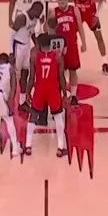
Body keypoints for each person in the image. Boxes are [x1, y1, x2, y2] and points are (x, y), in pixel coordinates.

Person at [25, 23, 69, 158]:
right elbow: (61, 77)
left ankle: (28, 146)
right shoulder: (57, 57)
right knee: (58, 117)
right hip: (53, 90)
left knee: (33, 116)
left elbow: (31, 78)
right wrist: (65, 93)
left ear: (39, 44)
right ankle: (60, 147)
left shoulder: (34, 57)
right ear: (50, 44)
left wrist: (27, 92)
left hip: (39, 89)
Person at [50, 0, 86, 104]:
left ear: (67, 0)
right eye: (60, 2)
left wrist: (84, 43)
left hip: (72, 44)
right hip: (59, 46)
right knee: (59, 71)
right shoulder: (53, 12)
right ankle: (60, 94)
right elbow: (50, 30)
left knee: (73, 70)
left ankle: (73, 95)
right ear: (57, 2)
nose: (62, 4)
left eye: (63, 2)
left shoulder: (74, 10)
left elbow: (80, 27)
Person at [71, 0, 108, 75]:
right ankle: (68, 62)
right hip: (79, 17)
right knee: (70, 36)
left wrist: (97, 15)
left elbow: (102, 0)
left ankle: (104, 62)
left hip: (91, 17)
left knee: (99, 38)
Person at [10, 1, 45, 91]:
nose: (40, 14)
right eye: (39, 11)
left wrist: (38, 46)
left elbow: (32, 33)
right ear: (34, 9)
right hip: (18, 46)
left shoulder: (35, 19)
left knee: (26, 71)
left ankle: (23, 96)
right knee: (16, 74)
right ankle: (15, 95)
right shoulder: (22, 17)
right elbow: (11, 34)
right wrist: (11, 52)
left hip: (27, 46)